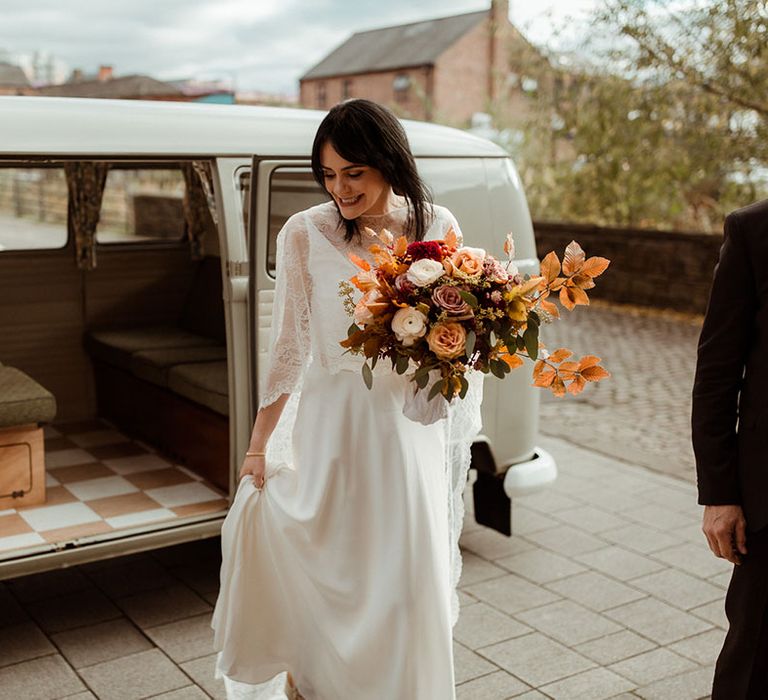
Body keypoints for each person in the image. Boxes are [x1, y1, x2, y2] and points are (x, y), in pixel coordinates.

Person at [211, 99, 483, 700]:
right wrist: (258, 447)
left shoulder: (439, 228)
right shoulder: (304, 233)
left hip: (407, 434)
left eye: (353, 173)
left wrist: (449, 364)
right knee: (323, 570)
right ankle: (309, 685)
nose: (340, 189)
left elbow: (460, 343)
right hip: (331, 430)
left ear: (388, 163)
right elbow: (287, 348)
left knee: (402, 583)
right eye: (329, 175)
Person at [692, 199, 768, 698]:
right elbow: (718, 371)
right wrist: (720, 494)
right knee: (753, 664)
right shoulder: (754, 231)